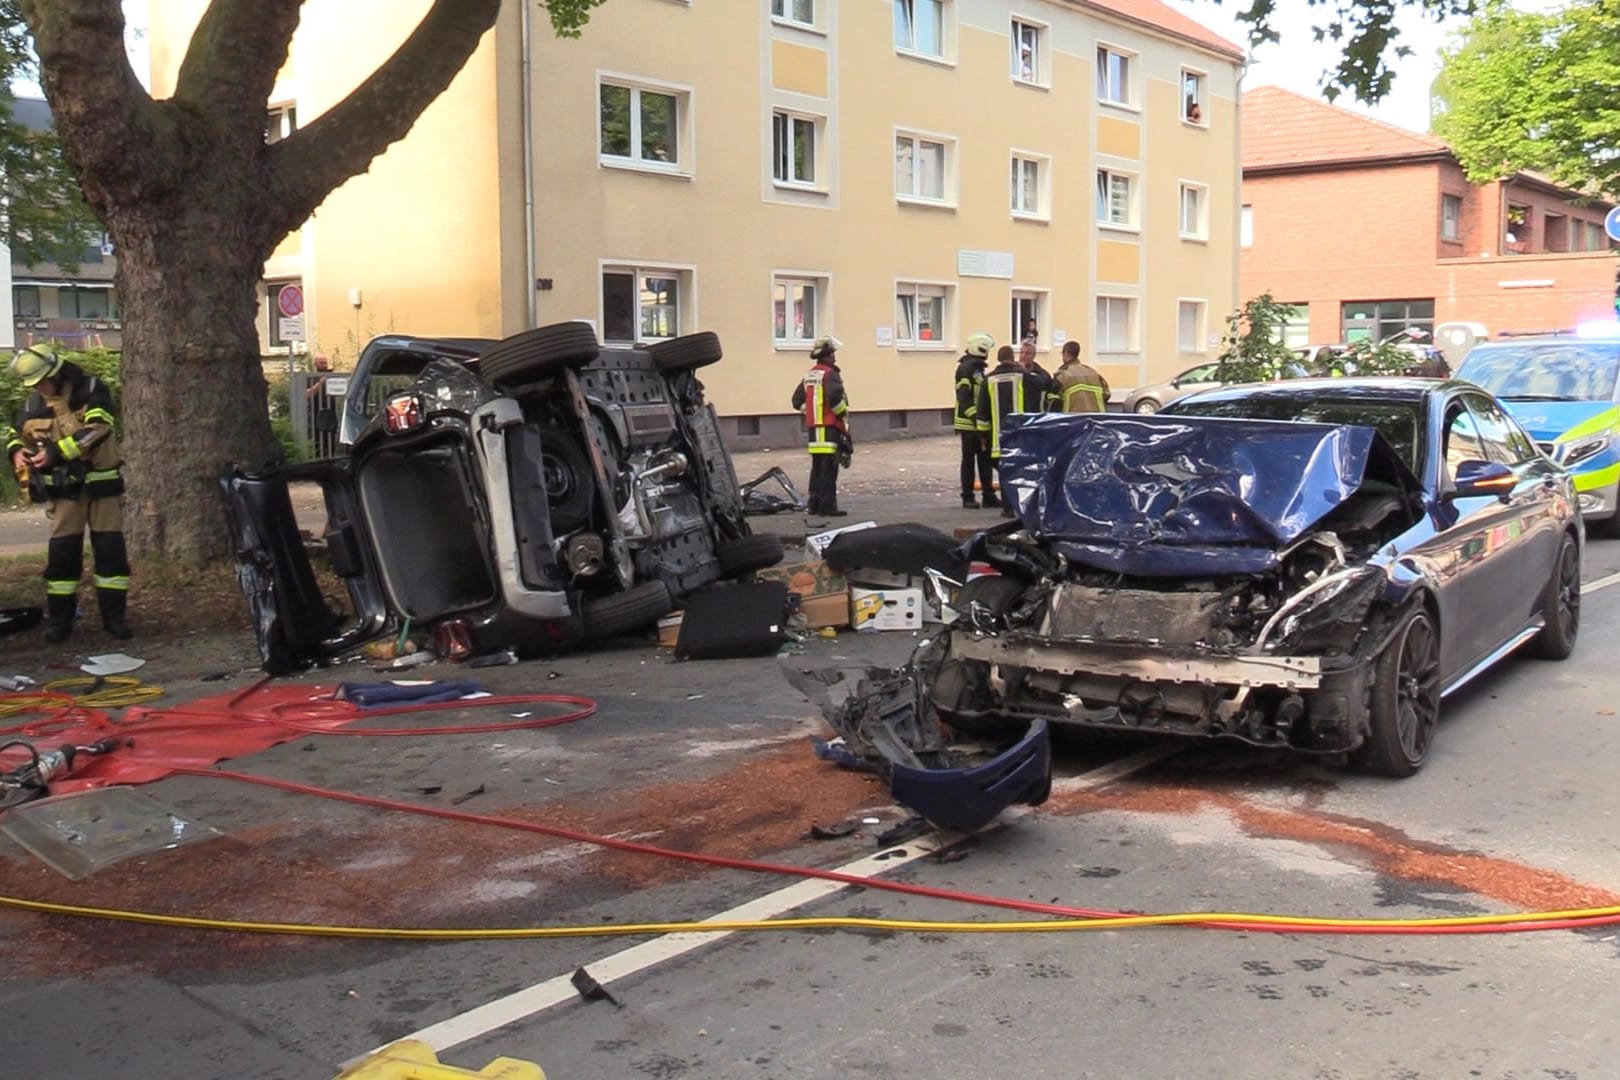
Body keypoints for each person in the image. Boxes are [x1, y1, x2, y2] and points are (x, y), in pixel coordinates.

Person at [3, 345, 131, 642]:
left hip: (101, 487)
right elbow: (14, 433)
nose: (39, 388)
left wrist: (55, 453)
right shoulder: (33, 402)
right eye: (34, 384)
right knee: (62, 558)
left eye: (42, 381)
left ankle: (115, 619)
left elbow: (98, 429)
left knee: (111, 556)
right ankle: (60, 622)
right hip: (65, 493)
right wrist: (16, 453)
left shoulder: (90, 389)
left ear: (57, 374)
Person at [981, 343, 1054, 518]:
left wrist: (983, 437)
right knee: (1022, 470)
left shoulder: (988, 379)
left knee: (1005, 470)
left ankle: (1007, 508)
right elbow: (1045, 383)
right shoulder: (1024, 376)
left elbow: (982, 411)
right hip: (1020, 433)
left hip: (998, 437)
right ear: (1012, 357)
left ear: (998, 359)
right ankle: (1023, 505)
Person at [790, 335, 850, 518]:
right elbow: (834, 399)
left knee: (817, 468)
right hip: (830, 429)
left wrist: (811, 413)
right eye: (833, 354)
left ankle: (814, 505)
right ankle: (827, 507)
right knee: (829, 469)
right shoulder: (830, 374)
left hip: (814, 431)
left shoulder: (810, 374)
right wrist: (842, 415)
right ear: (826, 356)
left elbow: (796, 401)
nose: (835, 358)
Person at [954, 331, 997, 509]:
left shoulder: (976, 368)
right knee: (969, 461)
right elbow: (964, 397)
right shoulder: (966, 370)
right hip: (968, 423)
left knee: (985, 459)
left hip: (978, 423)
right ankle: (968, 497)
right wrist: (976, 417)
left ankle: (988, 495)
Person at [1050, 340, 1110, 412]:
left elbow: (1053, 401)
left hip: (1073, 419)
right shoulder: (1093, 373)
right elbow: (1107, 395)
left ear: (1066, 354)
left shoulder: (1063, 375)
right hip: (1096, 419)